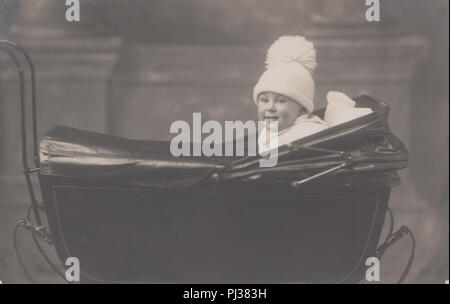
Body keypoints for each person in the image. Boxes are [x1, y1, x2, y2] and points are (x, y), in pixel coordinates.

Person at [253, 35, 328, 153]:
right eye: (264, 100)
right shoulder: (273, 132)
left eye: (281, 100)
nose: (270, 107)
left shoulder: (309, 135)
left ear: (302, 108)